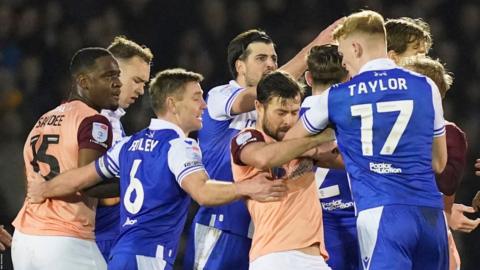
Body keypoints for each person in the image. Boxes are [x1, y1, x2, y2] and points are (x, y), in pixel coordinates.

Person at [27, 68, 288, 270]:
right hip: (148, 257)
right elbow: (203, 192)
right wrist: (247, 187)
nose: (204, 106)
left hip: (122, 256)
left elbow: (80, 178)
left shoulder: (129, 144)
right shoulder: (179, 146)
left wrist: (44, 189)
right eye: (197, 98)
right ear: (173, 104)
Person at [285, 10, 448, 269]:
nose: (344, 63)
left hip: (381, 214)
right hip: (430, 216)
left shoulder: (338, 96)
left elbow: (288, 144)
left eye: (343, 53)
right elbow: (439, 163)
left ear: (356, 48)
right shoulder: (426, 86)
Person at [185, 19, 343, 270]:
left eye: (274, 58)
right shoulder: (220, 97)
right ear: (240, 66)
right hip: (222, 222)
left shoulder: (283, 117)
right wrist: (312, 48)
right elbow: (256, 95)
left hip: (264, 230)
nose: (270, 63)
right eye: (261, 58)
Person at [12, 47, 122, 270]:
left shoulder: (44, 119)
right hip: (65, 239)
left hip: (25, 238)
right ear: (84, 81)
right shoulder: (94, 121)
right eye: (108, 76)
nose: (118, 82)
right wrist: (142, 180)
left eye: (117, 75)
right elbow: (90, 184)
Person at [231, 70, 335, 269]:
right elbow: (264, 158)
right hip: (275, 257)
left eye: (294, 112)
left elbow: (342, 160)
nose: (288, 121)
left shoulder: (299, 143)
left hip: (315, 258)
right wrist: (317, 141)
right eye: (281, 112)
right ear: (259, 107)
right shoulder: (246, 138)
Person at [400, 55, 474, 270]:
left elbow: (448, 184)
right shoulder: (385, 127)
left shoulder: (450, 133)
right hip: (389, 223)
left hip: (428, 228)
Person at [95, 36, 153, 261]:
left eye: (145, 84)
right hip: (96, 236)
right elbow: (93, 186)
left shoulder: (112, 120)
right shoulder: (95, 121)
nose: (140, 91)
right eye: (137, 80)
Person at [302, 44, 358, 270]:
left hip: (309, 227)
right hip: (361, 219)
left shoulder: (286, 122)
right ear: (348, 77)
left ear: (307, 78)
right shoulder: (359, 117)